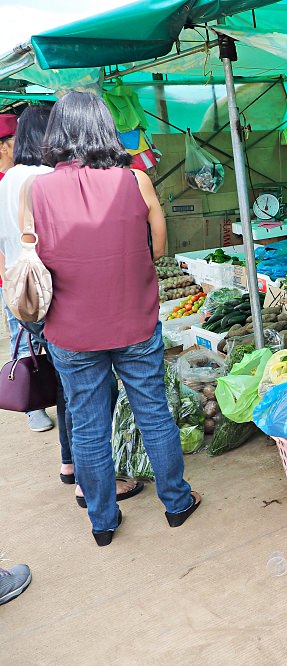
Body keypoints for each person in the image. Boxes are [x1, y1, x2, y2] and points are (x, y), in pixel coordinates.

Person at [30, 91, 200, 546]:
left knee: (87, 426)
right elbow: (158, 249)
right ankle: (176, 503)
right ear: (106, 127)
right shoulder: (136, 180)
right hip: (134, 321)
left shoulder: (38, 189)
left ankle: (103, 522)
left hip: (71, 328)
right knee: (154, 414)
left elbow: (33, 258)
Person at [0, 105, 144, 508]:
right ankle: (92, 483)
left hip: (23, 293)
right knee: (89, 403)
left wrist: (14, 286)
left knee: (67, 389)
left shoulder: (7, 181)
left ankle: (72, 470)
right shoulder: (51, 181)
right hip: (66, 299)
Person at [0, 110, 55, 433]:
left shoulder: (9, 181)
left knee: (28, 337)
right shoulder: (44, 176)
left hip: (20, 277)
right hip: (31, 277)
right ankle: (33, 402)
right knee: (29, 343)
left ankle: (40, 398)